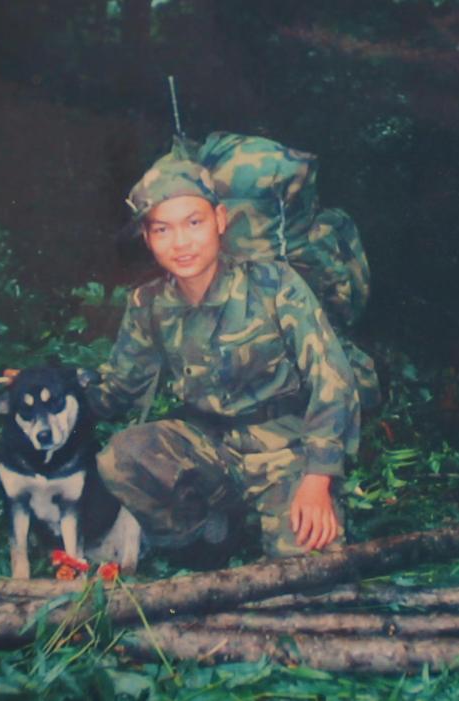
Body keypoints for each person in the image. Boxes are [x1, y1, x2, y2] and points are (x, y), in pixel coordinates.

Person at [85, 158, 361, 561]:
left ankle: (273, 519)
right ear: (147, 237)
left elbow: (332, 380)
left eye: (193, 222)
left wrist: (318, 481)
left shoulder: (273, 285)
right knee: (122, 457)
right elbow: (117, 389)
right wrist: (46, 384)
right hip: (210, 450)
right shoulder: (149, 304)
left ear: (219, 220)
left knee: (310, 568)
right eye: (163, 229)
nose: (181, 243)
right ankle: (204, 539)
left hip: (285, 453)